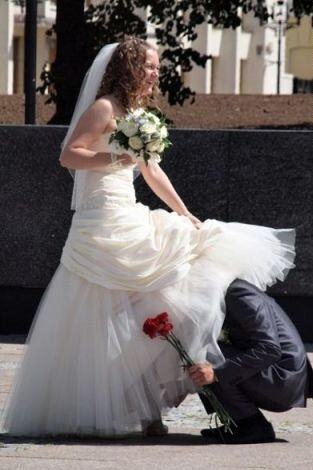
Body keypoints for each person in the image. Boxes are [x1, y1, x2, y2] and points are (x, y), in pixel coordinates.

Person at [2, 37, 296, 438]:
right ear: (129, 68)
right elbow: (69, 154)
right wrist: (112, 158)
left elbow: (153, 172)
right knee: (103, 316)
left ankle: (145, 405)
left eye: (158, 66)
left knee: (159, 305)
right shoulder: (104, 107)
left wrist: (185, 212)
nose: (157, 72)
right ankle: (111, 406)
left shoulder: (139, 113)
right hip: (102, 219)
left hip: (130, 211)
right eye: (151, 65)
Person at [189, 279, 313, 444]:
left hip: (282, 381)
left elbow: (269, 349)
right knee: (197, 345)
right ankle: (238, 420)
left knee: (204, 356)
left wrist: (217, 373)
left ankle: (251, 424)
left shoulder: (239, 293)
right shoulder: (226, 293)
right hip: (276, 377)